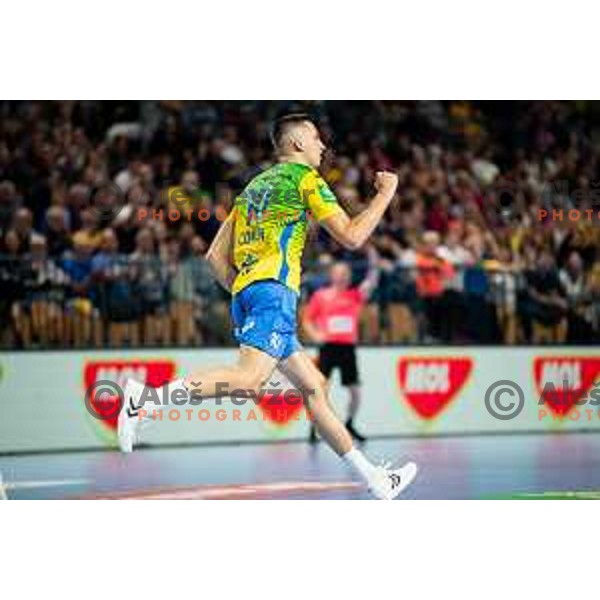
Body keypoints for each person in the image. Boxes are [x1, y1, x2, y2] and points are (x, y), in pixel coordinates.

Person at [118, 113, 418, 500]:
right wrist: (385, 194)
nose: (322, 146)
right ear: (296, 145)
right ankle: (148, 400)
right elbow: (352, 236)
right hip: (274, 291)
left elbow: (213, 256)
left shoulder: (252, 188)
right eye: (315, 138)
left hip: (247, 293)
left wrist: (247, 289)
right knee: (248, 380)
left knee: (314, 388)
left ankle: (375, 479)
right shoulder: (305, 179)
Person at [302, 245, 379, 443]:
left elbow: (372, 281)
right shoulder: (321, 296)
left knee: (355, 392)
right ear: (332, 275)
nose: (343, 276)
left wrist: (373, 256)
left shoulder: (354, 295)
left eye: (346, 273)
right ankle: (315, 426)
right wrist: (315, 335)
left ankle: (350, 423)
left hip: (347, 349)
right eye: (339, 273)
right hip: (327, 348)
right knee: (320, 391)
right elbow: (307, 320)